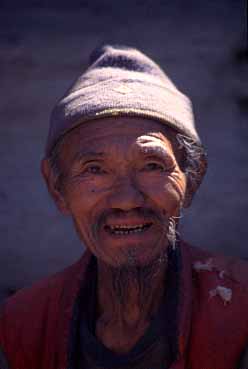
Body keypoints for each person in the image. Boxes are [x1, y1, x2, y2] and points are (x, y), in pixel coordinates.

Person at [0, 44, 248, 369]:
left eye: (152, 166)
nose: (127, 200)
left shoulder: (240, 308)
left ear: (193, 178)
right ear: (56, 187)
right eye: (94, 169)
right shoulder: (24, 323)